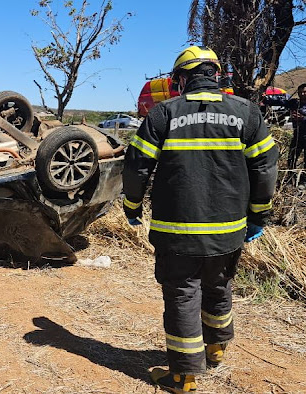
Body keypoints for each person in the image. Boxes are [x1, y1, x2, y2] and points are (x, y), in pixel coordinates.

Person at [122, 46, 278, 393]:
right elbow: (265, 169)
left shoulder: (164, 114)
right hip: (229, 230)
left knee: (182, 295)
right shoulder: (246, 113)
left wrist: (132, 207)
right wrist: (258, 216)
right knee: (219, 285)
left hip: (177, 232)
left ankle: (183, 377)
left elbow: (136, 167)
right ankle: (216, 348)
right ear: (217, 75)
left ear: (180, 79)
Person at [288, 83, 306, 170]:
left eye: (305, 92)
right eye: (300, 92)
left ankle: (303, 180)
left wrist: (303, 118)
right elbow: (281, 101)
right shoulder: (294, 103)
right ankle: (291, 177)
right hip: (297, 135)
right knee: (292, 157)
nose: (302, 94)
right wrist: (266, 97)